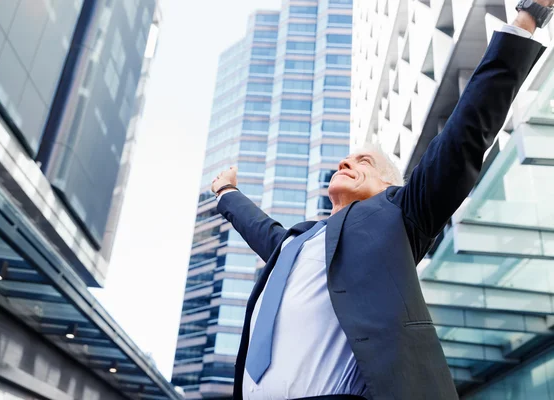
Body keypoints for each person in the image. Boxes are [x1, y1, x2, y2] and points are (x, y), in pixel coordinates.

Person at [210, 2, 551, 399]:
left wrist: (529, 16)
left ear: (390, 186)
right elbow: (260, 228)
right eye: (346, 159)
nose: (346, 162)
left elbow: (464, 134)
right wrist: (227, 193)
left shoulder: (399, 215)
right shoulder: (293, 245)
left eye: (363, 161)